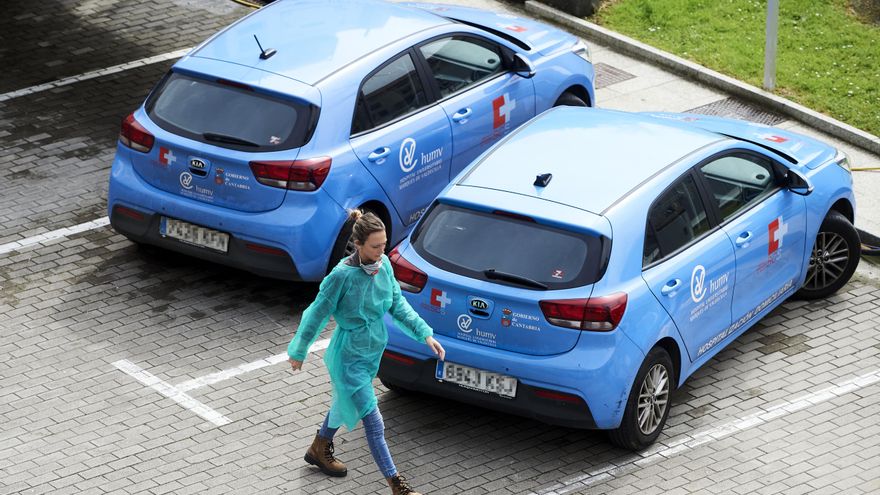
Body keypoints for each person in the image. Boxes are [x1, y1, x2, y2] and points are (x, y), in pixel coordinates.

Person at [288, 209, 445, 495]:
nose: (381, 251)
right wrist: (299, 350)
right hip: (348, 358)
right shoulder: (341, 276)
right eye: (375, 246)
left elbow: (398, 304)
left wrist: (425, 334)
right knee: (374, 421)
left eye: (384, 245)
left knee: (345, 402)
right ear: (358, 244)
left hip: (370, 352)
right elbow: (317, 313)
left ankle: (319, 448)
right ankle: (398, 485)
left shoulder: (384, 265)